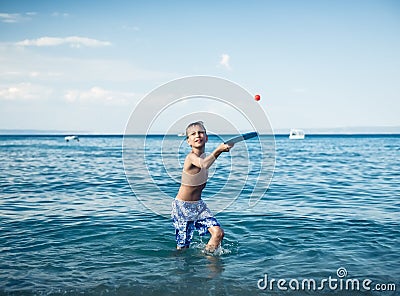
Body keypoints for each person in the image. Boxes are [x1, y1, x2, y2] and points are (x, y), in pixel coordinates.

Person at [171, 121, 234, 252]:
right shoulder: (191, 157)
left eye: (201, 132)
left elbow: (206, 161)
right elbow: (204, 164)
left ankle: (207, 262)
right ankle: (179, 269)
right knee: (182, 248)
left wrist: (222, 149)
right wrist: (219, 150)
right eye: (193, 134)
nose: (197, 135)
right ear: (188, 141)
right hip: (182, 207)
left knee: (218, 233)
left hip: (199, 206)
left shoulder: (206, 157)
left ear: (206, 138)